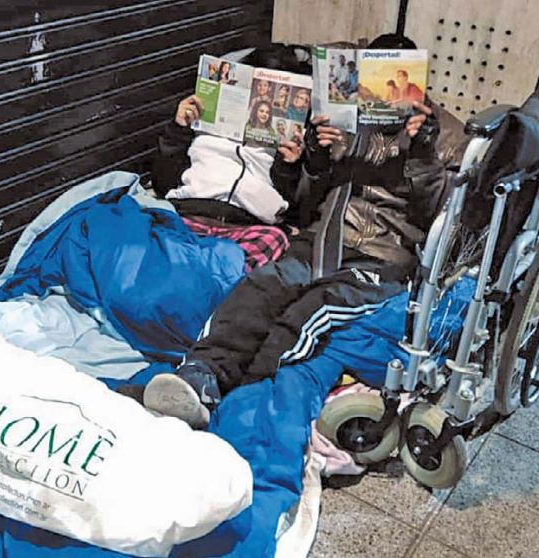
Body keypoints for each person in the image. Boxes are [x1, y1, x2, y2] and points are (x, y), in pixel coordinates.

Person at [142, 33, 469, 429]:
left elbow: (442, 218)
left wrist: (422, 155)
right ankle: (200, 375)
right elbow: (304, 201)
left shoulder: (445, 134)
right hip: (320, 238)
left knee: (309, 312)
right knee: (261, 287)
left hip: (381, 255)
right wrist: (315, 158)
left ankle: (242, 399)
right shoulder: (344, 116)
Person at [152, 45, 307, 226]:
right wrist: (178, 129)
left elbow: (294, 207)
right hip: (188, 209)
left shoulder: (285, 140)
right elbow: (162, 182)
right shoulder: (201, 122)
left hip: (246, 221)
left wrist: (288, 166)